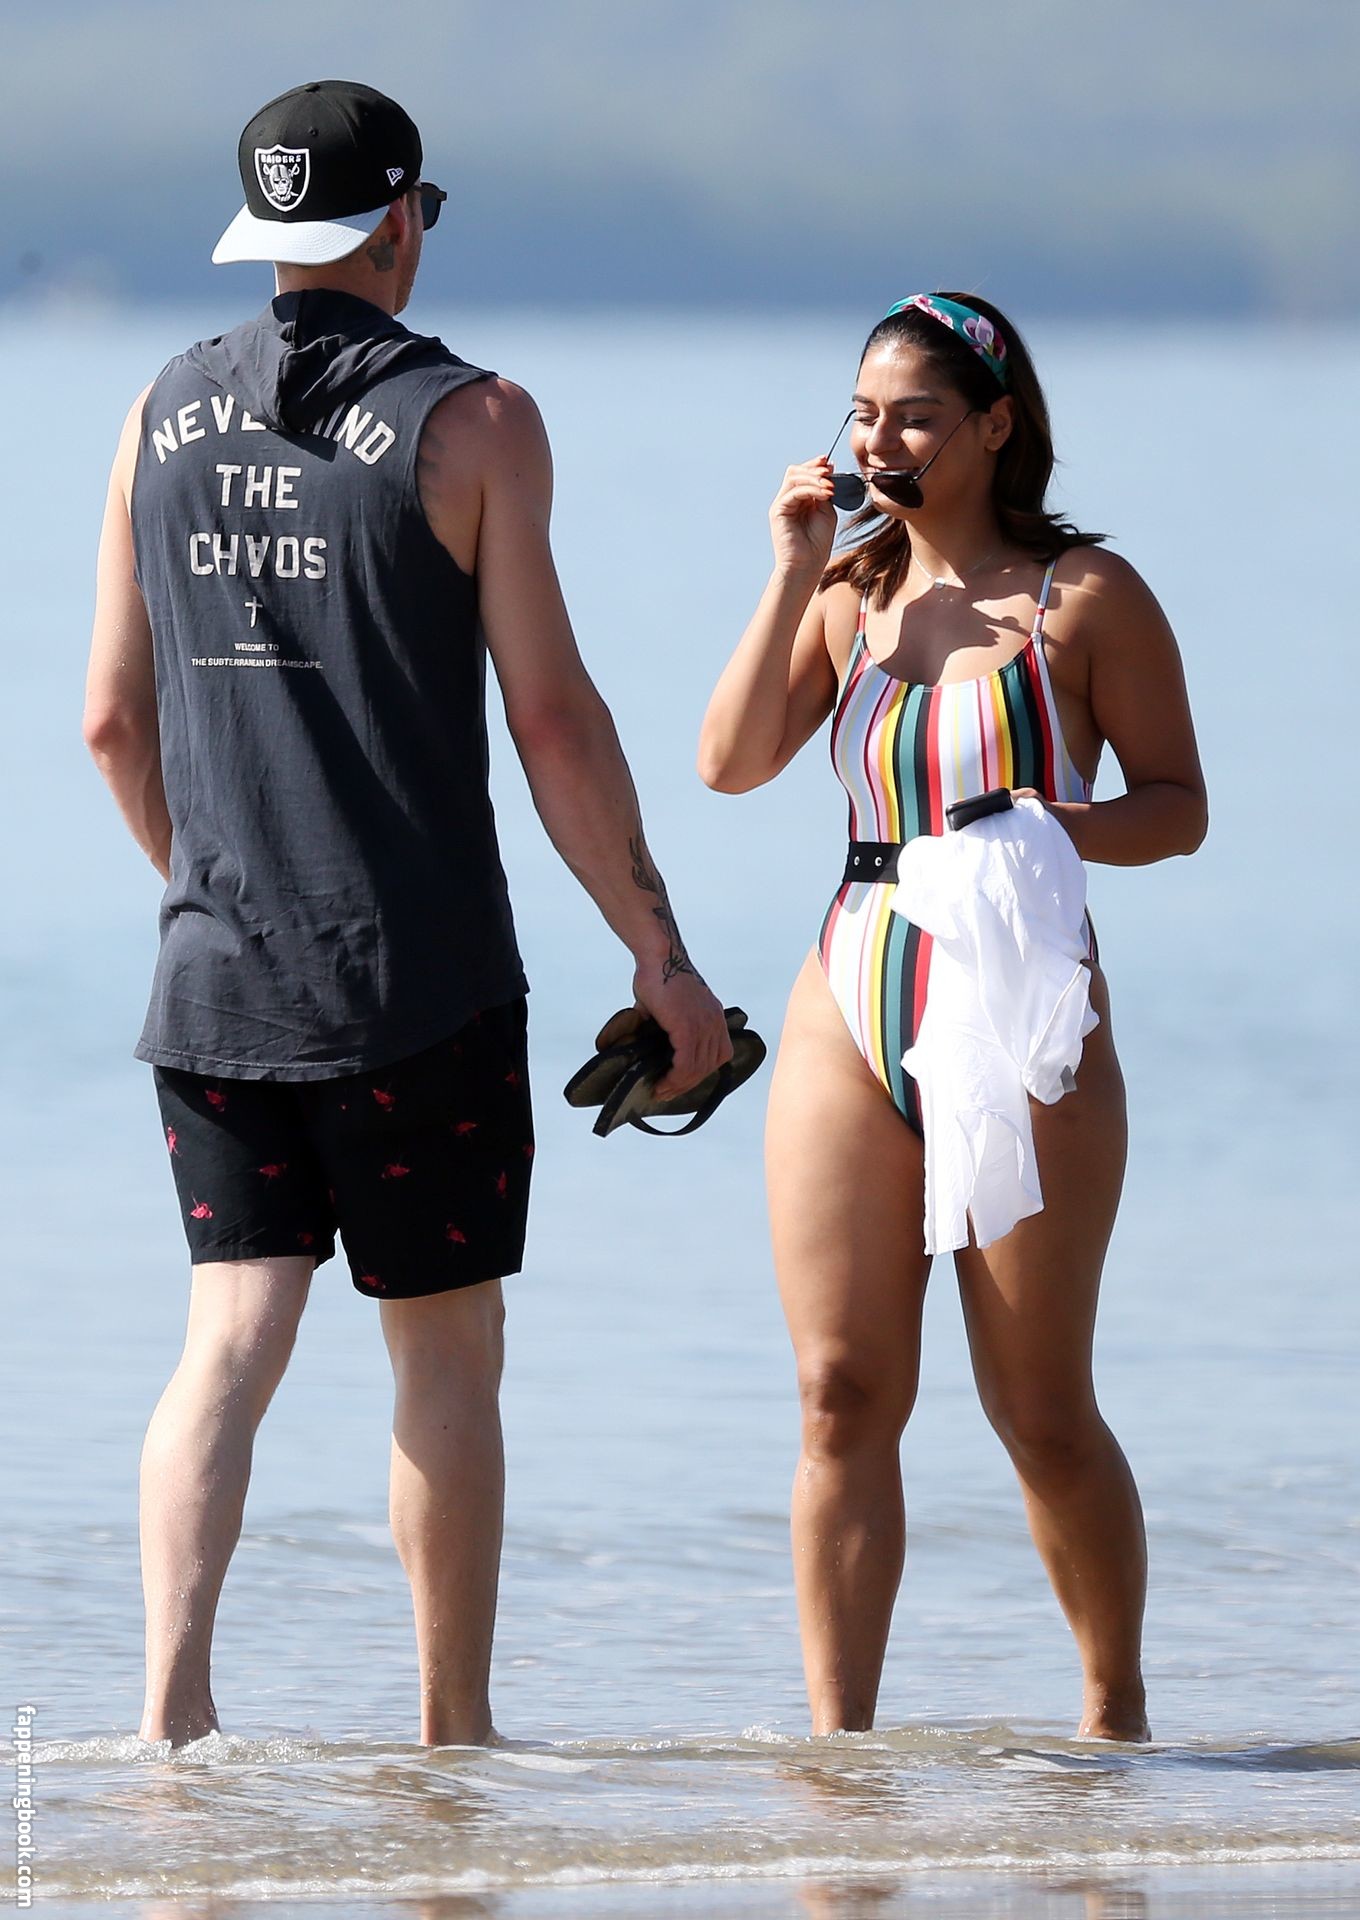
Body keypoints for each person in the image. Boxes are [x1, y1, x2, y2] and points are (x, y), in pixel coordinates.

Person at [83, 79, 730, 1749]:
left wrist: (213, 894)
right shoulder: (479, 421)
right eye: (419, 213)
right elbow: (556, 722)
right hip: (417, 983)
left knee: (228, 1338)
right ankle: (455, 1740)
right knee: (443, 1352)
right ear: (396, 223)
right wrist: (658, 956)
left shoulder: (155, 411)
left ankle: (168, 1725)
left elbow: (109, 723)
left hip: (214, 980)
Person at [699, 292, 1207, 1741]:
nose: (879, 442)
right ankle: (840, 1757)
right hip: (850, 987)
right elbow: (729, 760)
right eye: (863, 415)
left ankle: (1114, 1721)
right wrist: (788, 569)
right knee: (840, 1393)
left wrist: (1051, 829)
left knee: (1039, 1410)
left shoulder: (1083, 597)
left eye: (914, 417)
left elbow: (1179, 807)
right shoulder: (846, 591)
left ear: (994, 426)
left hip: (1026, 1000)